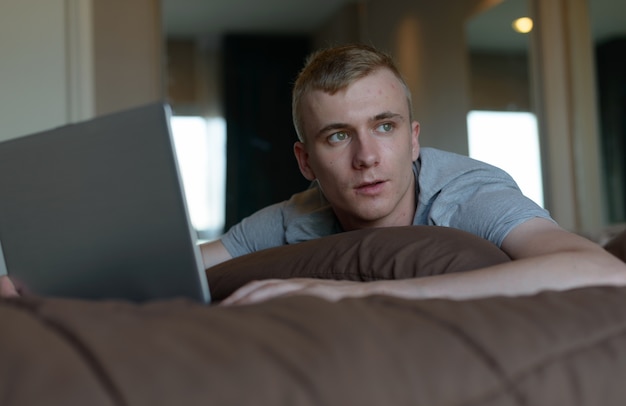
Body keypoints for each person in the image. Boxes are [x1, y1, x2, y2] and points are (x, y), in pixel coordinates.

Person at [2, 44, 625, 303]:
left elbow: (601, 269)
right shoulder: (296, 217)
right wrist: (41, 283)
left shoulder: (465, 191)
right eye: (337, 136)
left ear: (413, 141)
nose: (366, 157)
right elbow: (187, 266)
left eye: (384, 127)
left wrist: (349, 292)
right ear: (306, 161)